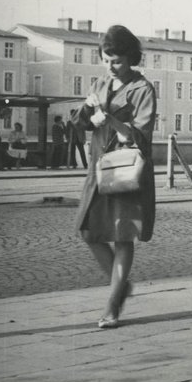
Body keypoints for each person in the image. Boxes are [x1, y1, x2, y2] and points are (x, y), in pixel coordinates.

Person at [71, 25, 156, 330]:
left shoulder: (143, 89)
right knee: (87, 230)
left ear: (131, 58)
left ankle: (112, 305)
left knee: (122, 236)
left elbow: (143, 137)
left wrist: (111, 120)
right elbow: (80, 122)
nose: (110, 66)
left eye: (117, 60)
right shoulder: (100, 82)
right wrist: (87, 110)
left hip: (126, 171)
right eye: (106, 59)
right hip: (98, 169)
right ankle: (120, 287)